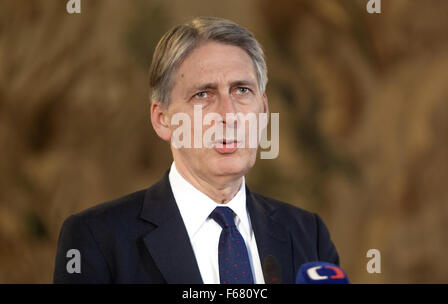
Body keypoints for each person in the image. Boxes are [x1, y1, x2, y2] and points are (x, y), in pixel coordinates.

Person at [53, 17, 339, 284]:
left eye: (242, 91)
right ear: (162, 120)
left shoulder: (307, 235)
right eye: (203, 94)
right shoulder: (96, 239)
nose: (229, 114)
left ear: (263, 111)